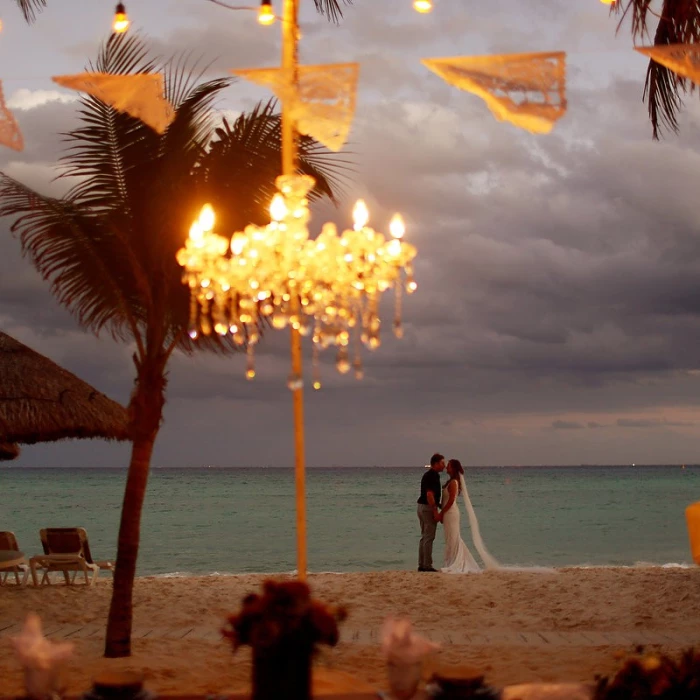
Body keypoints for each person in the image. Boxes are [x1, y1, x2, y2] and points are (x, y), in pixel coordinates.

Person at [439, 459, 481, 574]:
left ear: (453, 468)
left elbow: (451, 500)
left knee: (453, 537)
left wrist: (441, 513)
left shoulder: (454, 483)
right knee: (449, 537)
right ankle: (450, 560)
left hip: (451, 513)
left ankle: (454, 561)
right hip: (448, 513)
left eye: (448, 466)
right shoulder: (450, 481)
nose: (446, 467)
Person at [417, 453, 445, 572]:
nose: (444, 465)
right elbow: (429, 494)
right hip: (427, 507)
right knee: (429, 537)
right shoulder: (432, 476)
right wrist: (435, 510)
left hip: (421, 506)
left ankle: (422, 564)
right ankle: (427, 565)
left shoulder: (429, 475)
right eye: (442, 463)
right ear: (436, 463)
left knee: (424, 537)